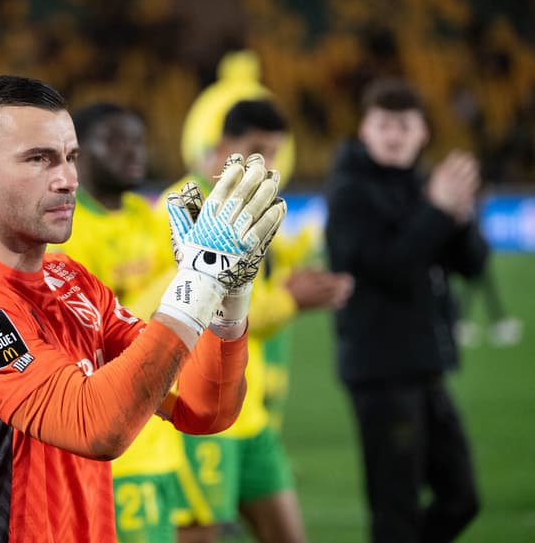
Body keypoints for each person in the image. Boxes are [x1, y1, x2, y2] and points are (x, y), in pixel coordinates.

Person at [0, 75, 286, 542]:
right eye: (38, 159)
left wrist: (227, 298)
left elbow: (205, 409)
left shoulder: (73, 282)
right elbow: (96, 427)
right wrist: (197, 280)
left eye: (69, 157)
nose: (66, 179)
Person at [163, 100, 353, 543]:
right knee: (200, 536)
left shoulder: (251, 209)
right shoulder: (178, 209)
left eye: (275, 151)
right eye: (257, 149)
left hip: (251, 417)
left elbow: (253, 293)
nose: (268, 163)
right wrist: (289, 301)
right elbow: (191, 310)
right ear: (223, 147)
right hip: (198, 410)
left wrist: (295, 279)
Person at [324, 78, 485, 543]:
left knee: (462, 498)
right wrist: (436, 211)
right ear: (364, 130)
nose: (394, 135)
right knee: (395, 509)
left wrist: (461, 215)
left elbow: (470, 264)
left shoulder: (421, 184)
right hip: (380, 371)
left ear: (423, 133)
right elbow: (385, 268)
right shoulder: (350, 192)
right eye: (383, 125)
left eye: (404, 125)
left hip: (424, 366)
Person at [51, 102, 187, 543]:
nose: (133, 152)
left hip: (161, 435)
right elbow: (96, 334)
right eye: (114, 141)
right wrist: (183, 275)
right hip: (114, 446)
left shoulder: (146, 219)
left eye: (137, 141)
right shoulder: (67, 235)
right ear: (78, 154)